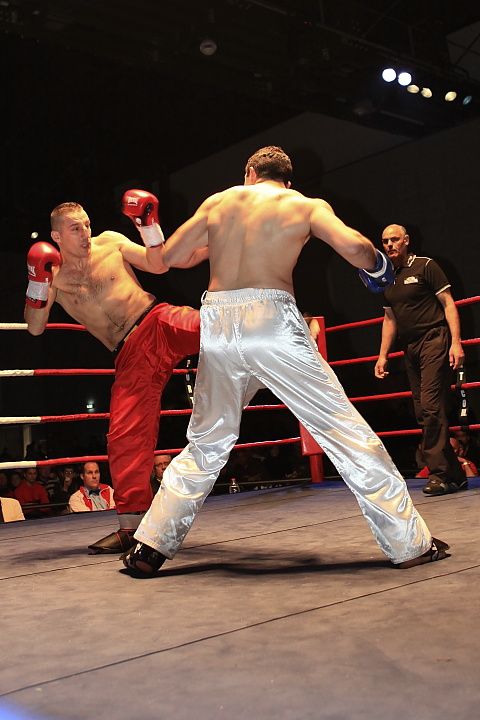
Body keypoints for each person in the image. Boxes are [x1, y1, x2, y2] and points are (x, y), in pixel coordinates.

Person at [122, 145, 447, 577]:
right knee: (342, 429)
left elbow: (166, 261)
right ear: (286, 180)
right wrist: (378, 270)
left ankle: (150, 546)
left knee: (207, 441)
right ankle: (409, 543)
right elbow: (356, 245)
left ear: (249, 173)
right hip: (271, 322)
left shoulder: (220, 201)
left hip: (216, 320)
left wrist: (151, 227)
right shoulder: (303, 205)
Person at [24, 196, 205, 553]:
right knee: (123, 437)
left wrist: (147, 224)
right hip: (129, 354)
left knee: (211, 325)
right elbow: (34, 327)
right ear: (56, 236)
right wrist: (37, 282)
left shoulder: (110, 242)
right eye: (76, 229)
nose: (86, 234)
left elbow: (158, 265)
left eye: (87, 225)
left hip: (157, 320)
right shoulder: (54, 276)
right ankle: (132, 527)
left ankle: (282, 327)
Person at [374, 224, 466, 496]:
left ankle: (438, 473)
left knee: (430, 406)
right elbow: (389, 318)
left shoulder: (426, 266)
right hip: (409, 347)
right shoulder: (387, 277)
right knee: (422, 411)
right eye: (385, 241)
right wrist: (382, 355)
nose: (389, 244)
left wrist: (456, 343)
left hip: (434, 339)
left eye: (394, 240)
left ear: (406, 241)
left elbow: (448, 303)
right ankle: (455, 474)